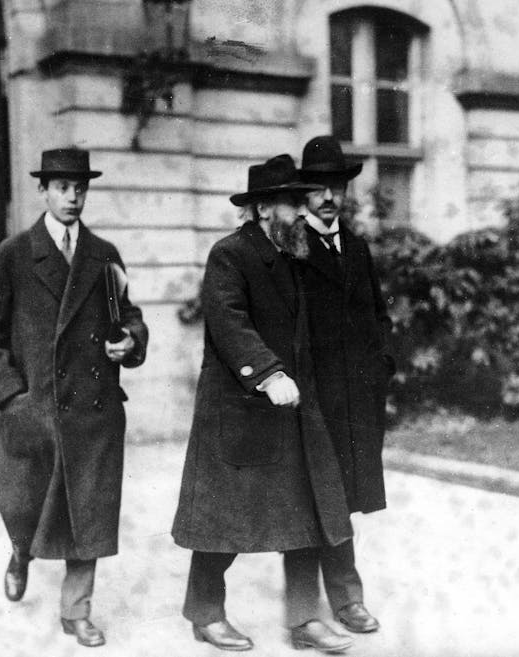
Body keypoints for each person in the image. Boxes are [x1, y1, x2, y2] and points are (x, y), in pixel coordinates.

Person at [0, 147, 148, 648]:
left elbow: (128, 315)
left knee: (87, 511)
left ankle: (76, 611)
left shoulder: (104, 254)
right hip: (36, 408)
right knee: (24, 501)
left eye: (80, 187)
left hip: (93, 409)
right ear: (43, 191)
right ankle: (21, 551)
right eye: (62, 187)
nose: (73, 197)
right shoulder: (15, 253)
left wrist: (130, 341)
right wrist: (11, 398)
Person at [172, 154, 356, 653]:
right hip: (240, 408)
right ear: (261, 208)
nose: (303, 211)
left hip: (292, 408)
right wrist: (267, 373)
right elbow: (229, 320)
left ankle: (303, 620)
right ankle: (205, 614)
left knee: (307, 516)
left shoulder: (292, 256)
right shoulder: (229, 254)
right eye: (292, 202)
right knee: (222, 522)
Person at [297, 135, 395, 636]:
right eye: (317, 186)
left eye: (335, 184)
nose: (328, 195)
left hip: (355, 397)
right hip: (311, 399)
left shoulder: (355, 247)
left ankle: (345, 601)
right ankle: (312, 609)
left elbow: (377, 315)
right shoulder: (291, 246)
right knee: (311, 498)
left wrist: (380, 366)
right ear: (303, 193)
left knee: (341, 496)